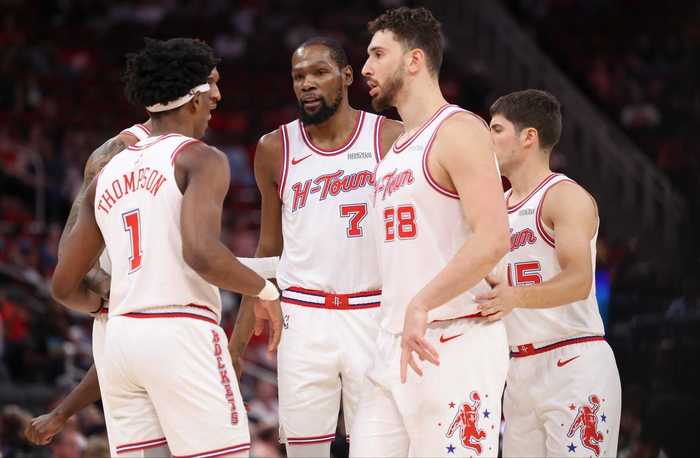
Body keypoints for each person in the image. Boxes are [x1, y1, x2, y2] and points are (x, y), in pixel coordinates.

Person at [50, 37, 283, 458]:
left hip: (121, 342)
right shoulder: (200, 158)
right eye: (212, 86)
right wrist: (265, 289)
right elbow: (201, 254)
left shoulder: (107, 171)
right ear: (193, 97)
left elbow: (63, 286)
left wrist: (104, 305)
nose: (217, 96)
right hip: (180, 330)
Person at [229, 37, 403, 458]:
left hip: (374, 311)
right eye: (298, 76)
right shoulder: (274, 148)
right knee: (304, 450)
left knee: (379, 448)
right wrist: (236, 346)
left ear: (347, 76)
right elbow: (268, 248)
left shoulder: (390, 137)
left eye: (320, 73)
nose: (307, 84)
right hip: (303, 316)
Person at [350, 7, 510, 457]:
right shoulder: (396, 150)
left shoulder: (459, 130)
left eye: (378, 54)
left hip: (454, 340)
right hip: (394, 342)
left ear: (415, 60)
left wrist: (422, 302)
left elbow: (494, 237)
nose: (365, 68)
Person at [482, 89, 622, 457]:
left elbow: (579, 281)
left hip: (573, 362)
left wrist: (515, 296)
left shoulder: (564, 196)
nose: (487, 139)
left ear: (528, 136)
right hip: (519, 368)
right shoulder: (495, 209)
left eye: (496, 129)